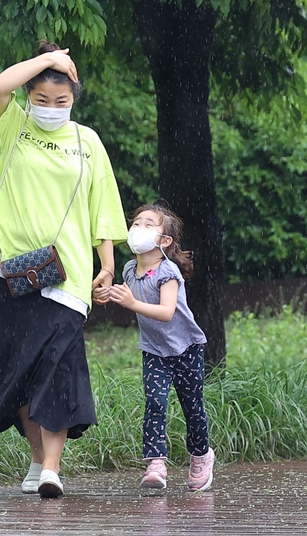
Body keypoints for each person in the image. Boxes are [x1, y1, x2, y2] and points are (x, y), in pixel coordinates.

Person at [0, 42, 128, 498]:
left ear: (74, 99)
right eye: (42, 99)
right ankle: (37, 457)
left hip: (69, 276)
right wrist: (50, 61)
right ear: (30, 97)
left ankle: (52, 469)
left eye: (62, 101)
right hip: (11, 274)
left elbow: (104, 206)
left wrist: (108, 263)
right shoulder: (11, 127)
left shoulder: (87, 141)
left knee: (58, 368)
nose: (52, 109)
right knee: (19, 371)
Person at [100, 203, 215, 492]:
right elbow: (126, 296)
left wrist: (131, 303)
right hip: (154, 351)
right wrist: (106, 293)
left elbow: (166, 312)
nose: (138, 229)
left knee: (193, 408)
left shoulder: (168, 272)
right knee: (155, 403)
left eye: (148, 224)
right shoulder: (128, 269)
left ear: (165, 241)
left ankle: (201, 455)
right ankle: (155, 464)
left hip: (186, 349)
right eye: (136, 223)